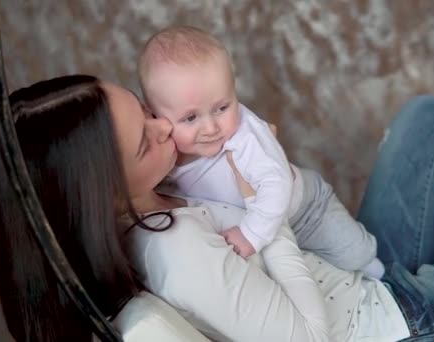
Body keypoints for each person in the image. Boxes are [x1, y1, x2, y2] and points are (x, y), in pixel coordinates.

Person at [0, 75, 434, 341]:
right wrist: (263, 218)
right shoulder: (175, 253)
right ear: (101, 197)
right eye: (147, 139)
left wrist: (263, 168)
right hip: (411, 328)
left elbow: (299, 208)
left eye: (146, 111)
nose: (167, 129)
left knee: (424, 121)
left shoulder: (163, 190)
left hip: (365, 283)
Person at [137, 25, 385, 278]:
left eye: (222, 107)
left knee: (357, 257)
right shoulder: (164, 158)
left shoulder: (245, 134)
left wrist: (251, 235)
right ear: (156, 116)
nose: (211, 128)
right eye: (190, 118)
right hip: (268, 226)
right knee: (321, 273)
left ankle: (382, 272)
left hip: (305, 210)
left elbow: (275, 183)